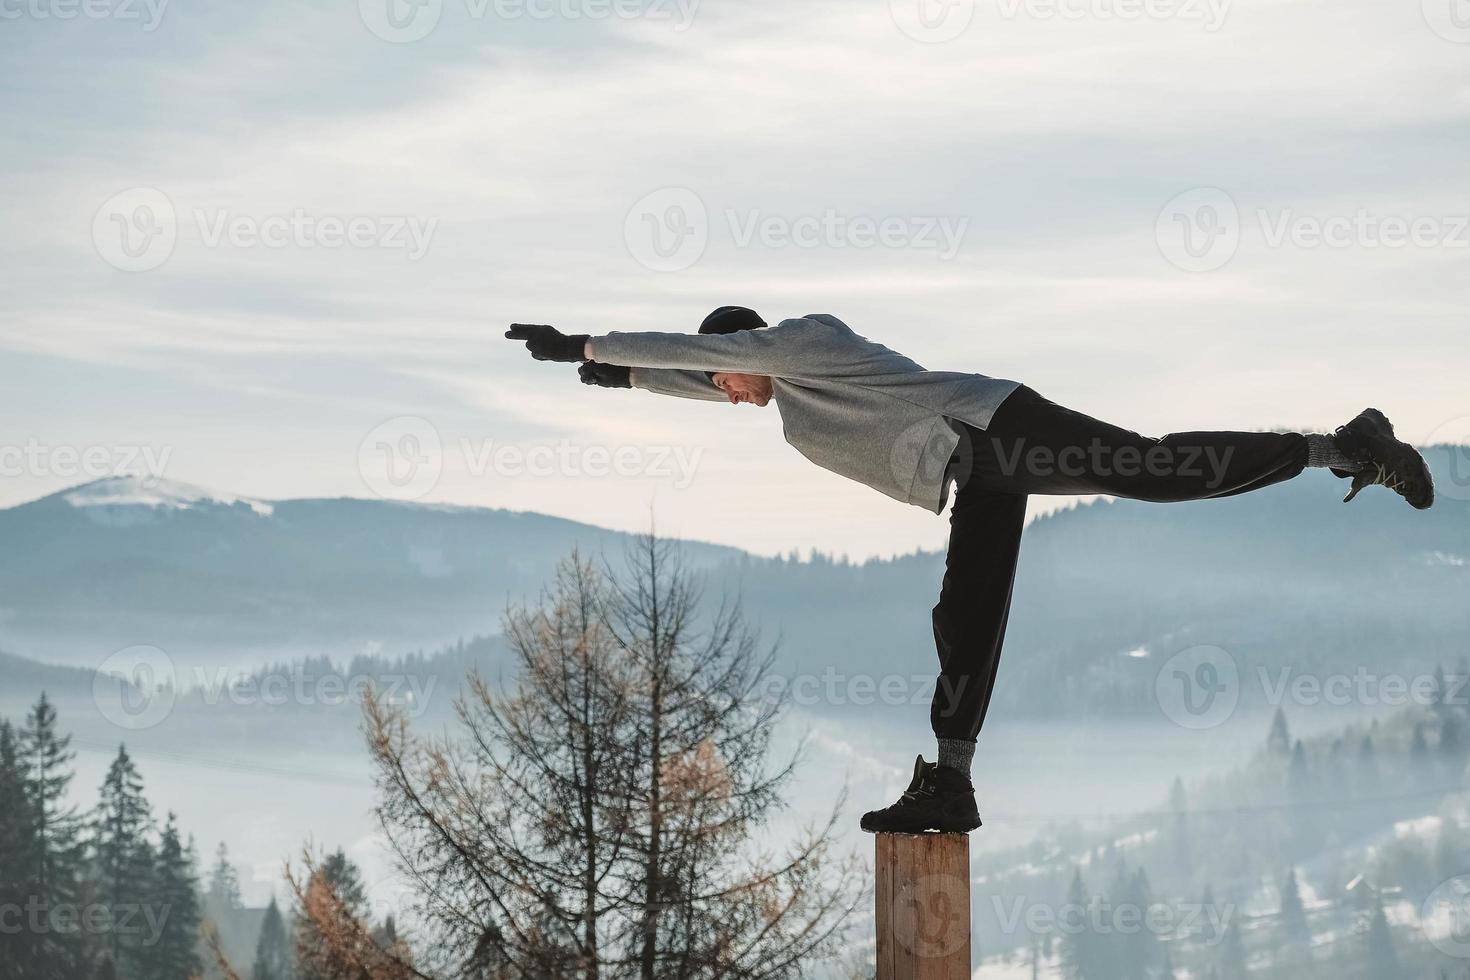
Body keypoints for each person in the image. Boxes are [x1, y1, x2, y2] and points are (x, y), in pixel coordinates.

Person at [505, 308, 1435, 834]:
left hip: (997, 426)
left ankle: (1342, 446)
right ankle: (951, 780)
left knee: (1157, 471)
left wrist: (590, 346)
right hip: (975, 468)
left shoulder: (801, 341)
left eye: (725, 377)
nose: (727, 394)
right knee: (968, 611)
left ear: (745, 353)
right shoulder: (786, 393)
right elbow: (700, 374)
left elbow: (709, 358)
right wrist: (624, 380)